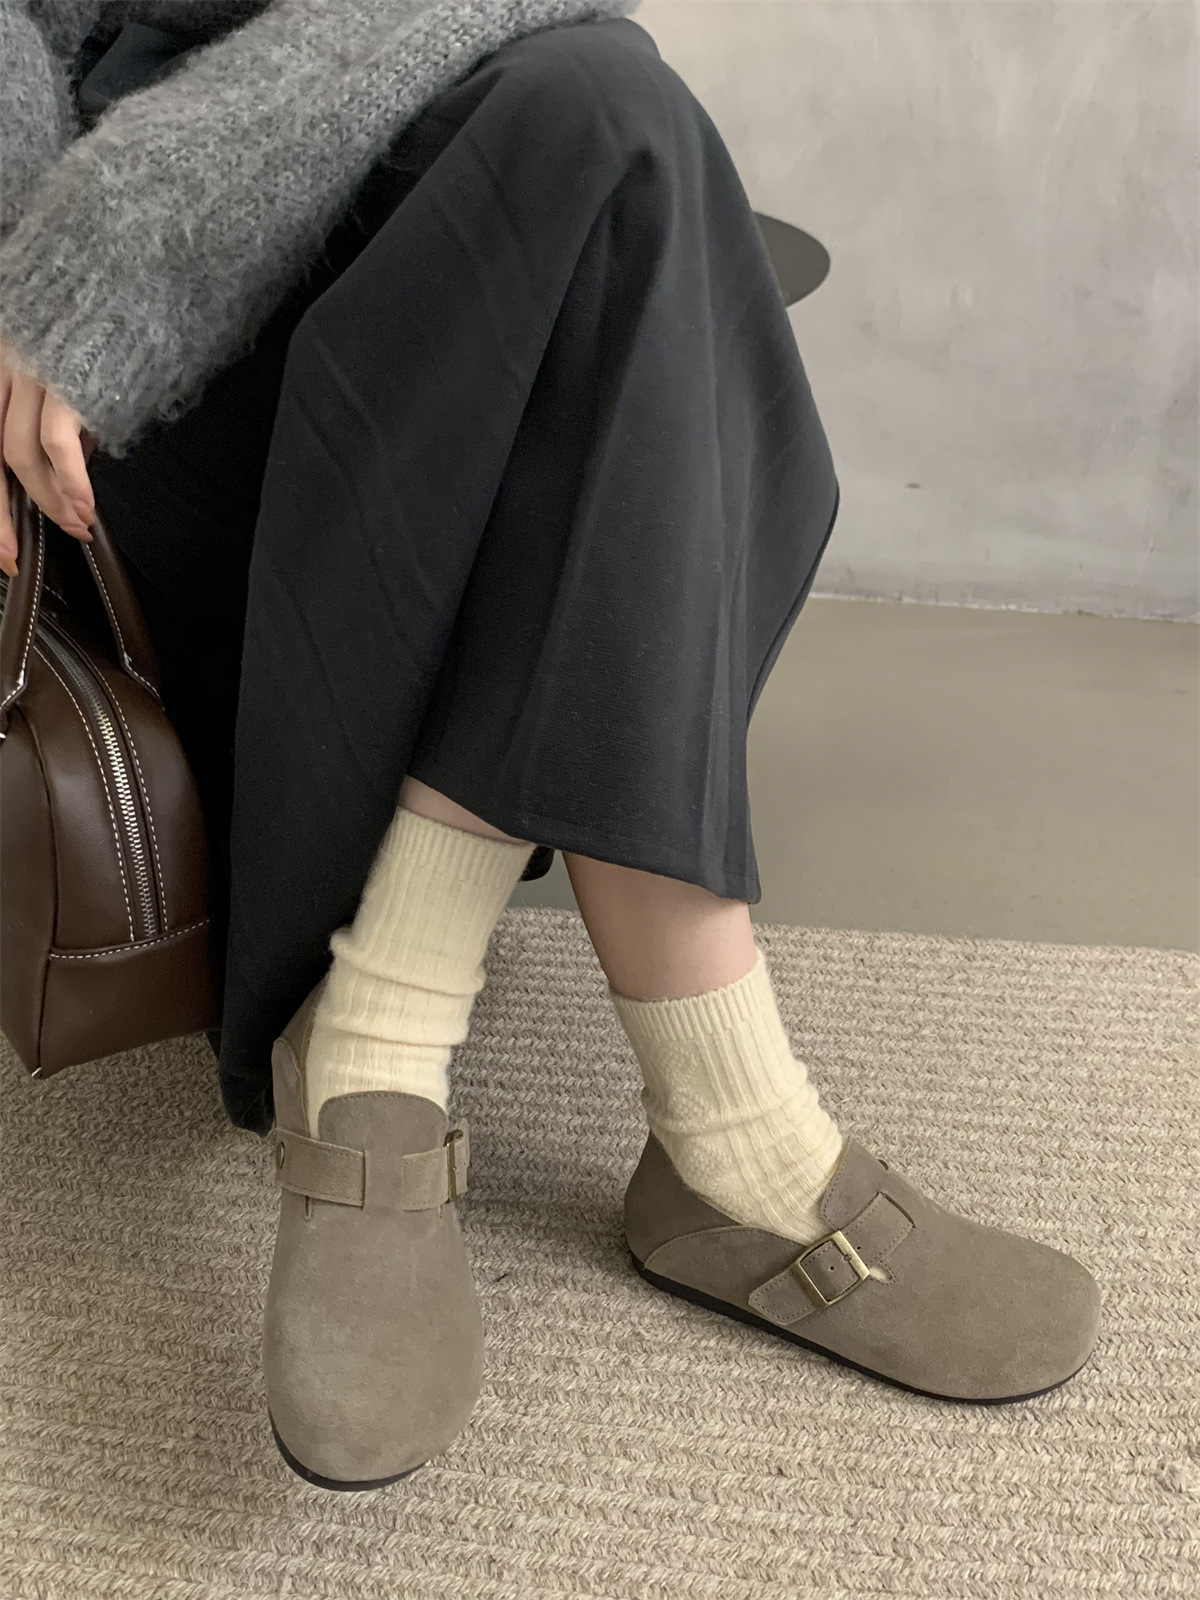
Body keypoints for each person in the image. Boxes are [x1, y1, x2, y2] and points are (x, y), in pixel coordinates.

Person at [0, 0, 1100, 1494]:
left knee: (605, 114)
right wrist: (44, 275)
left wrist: (137, 225)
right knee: (622, 299)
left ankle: (384, 1037)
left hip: (369, 220)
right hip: (112, 382)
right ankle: (729, 1147)